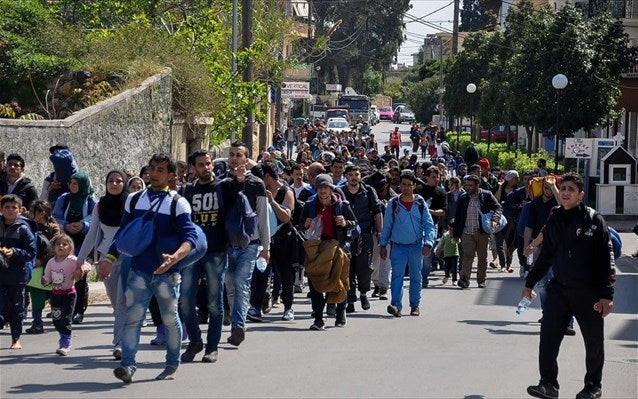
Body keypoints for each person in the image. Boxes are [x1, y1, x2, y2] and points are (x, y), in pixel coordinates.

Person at [100, 153, 198, 383]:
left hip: (167, 275)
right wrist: (109, 258)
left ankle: (172, 362)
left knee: (170, 319)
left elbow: (190, 237)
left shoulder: (178, 203)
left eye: (161, 170)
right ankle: (128, 366)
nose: (154, 174)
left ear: (172, 175)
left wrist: (174, 257)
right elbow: (123, 235)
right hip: (138, 271)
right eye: (152, 168)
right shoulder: (134, 200)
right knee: (132, 319)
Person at [523, 173, 616, 399]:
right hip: (559, 290)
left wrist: (606, 295)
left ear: (580, 195)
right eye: (562, 188)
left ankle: (593, 386)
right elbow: (546, 256)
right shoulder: (555, 218)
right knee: (548, 338)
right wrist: (529, 283)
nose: (565, 193)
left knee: (593, 342)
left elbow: (607, 260)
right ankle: (548, 384)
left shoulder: (594, 220)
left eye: (571, 190)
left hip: (589, 292)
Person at [219, 142, 270, 347]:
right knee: (230, 284)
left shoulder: (257, 183)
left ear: (246, 159)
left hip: (250, 244)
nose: (234, 158)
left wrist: (266, 247)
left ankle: (239, 325)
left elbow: (263, 216)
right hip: (227, 244)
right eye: (231, 155)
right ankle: (235, 320)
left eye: (239, 155)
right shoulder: (222, 183)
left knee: (242, 282)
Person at [179, 150, 228, 363]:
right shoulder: (187, 191)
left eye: (208, 163)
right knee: (185, 301)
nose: (206, 168)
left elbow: (248, 184)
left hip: (216, 251)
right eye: (201, 164)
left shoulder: (223, 187)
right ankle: (195, 341)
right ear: (193, 168)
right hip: (192, 252)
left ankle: (212, 346)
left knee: (214, 303)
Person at [76, 170, 128, 358]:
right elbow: (91, 236)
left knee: (123, 302)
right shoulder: (100, 206)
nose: (114, 184)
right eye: (111, 181)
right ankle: (124, 337)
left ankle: (121, 344)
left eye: (119, 181)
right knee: (116, 302)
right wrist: (79, 261)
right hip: (106, 260)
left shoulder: (131, 204)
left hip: (128, 258)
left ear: (125, 183)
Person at [301, 174, 358, 330]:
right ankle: (318, 318)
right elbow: (300, 225)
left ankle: (340, 313)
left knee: (339, 281)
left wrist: (346, 223)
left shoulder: (342, 205)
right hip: (317, 249)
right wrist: (305, 224)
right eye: (319, 188)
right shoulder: (310, 205)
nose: (322, 191)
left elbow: (356, 226)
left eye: (325, 187)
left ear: (331, 189)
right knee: (315, 282)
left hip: (338, 248)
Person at [379, 170, 435, 317]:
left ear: (414, 186)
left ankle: (415, 305)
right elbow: (387, 226)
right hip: (398, 246)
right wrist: (383, 245)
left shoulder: (420, 203)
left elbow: (429, 225)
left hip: (416, 246)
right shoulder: (393, 203)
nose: (406, 188)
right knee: (397, 276)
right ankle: (396, 305)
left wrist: (428, 243)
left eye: (409, 185)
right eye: (403, 185)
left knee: (416, 277)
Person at [248, 160, 296, 321]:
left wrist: (272, 202)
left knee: (285, 274)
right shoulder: (259, 191)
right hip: (264, 240)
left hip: (284, 239)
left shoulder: (286, 191)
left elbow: (286, 217)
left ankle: (288, 307)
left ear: (267, 177)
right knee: (260, 272)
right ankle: (256, 306)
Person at [53, 171, 97, 324]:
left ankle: (79, 311)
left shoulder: (91, 201)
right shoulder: (64, 199)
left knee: (79, 276)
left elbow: (96, 219)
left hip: (84, 243)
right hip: (66, 242)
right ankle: (64, 309)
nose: (72, 186)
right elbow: (55, 216)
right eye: (71, 183)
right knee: (63, 275)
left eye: (76, 183)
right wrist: (66, 225)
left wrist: (83, 225)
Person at [340, 165, 382, 313]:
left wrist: (380, 232)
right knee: (348, 269)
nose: (353, 177)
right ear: (346, 176)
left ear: (360, 176)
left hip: (365, 234)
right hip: (346, 236)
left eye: (356, 174)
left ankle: (363, 293)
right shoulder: (341, 192)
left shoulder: (368, 191)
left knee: (364, 267)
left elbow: (377, 212)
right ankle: (350, 299)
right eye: (350, 174)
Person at [41, 234, 91, 356]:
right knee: (56, 319)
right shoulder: (51, 262)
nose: (61, 246)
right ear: (54, 247)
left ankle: (66, 342)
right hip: (55, 294)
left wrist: (80, 270)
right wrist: (45, 280)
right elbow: (47, 275)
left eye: (64, 244)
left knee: (66, 318)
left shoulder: (73, 260)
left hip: (69, 294)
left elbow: (87, 265)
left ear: (70, 248)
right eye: (58, 244)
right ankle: (63, 335)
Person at [0, 194, 37, 349]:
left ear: (20, 210)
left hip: (17, 276)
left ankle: (16, 338)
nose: (10, 210)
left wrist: (13, 252)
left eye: (13, 207)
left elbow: (31, 252)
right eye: (7, 207)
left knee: (17, 307)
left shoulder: (24, 229)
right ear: (1, 209)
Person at [453, 175, 503, 288]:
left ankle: (481, 280)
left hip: (482, 232)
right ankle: (464, 280)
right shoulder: (463, 197)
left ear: (477, 185)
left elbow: (498, 207)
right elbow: (458, 216)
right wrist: (456, 234)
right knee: (467, 255)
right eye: (466, 185)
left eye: (471, 185)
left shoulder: (486, 195)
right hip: (467, 232)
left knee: (482, 257)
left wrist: (494, 220)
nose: (468, 188)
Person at [25, 200, 60, 335]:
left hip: (51, 267)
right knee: (36, 296)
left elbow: (55, 247)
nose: (30, 214)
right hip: (35, 269)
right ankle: (37, 323)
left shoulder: (53, 228)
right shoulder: (29, 226)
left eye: (33, 212)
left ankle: (60, 321)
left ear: (42, 213)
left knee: (55, 296)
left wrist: (42, 260)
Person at [435, 220, 460, 285]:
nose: (452, 229)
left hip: (455, 253)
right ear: (448, 227)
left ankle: (454, 280)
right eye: (450, 227)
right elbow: (441, 243)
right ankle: (446, 276)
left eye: (453, 228)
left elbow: (459, 241)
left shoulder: (457, 235)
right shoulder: (445, 235)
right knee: (446, 267)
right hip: (447, 254)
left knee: (454, 268)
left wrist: (455, 238)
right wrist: (438, 250)